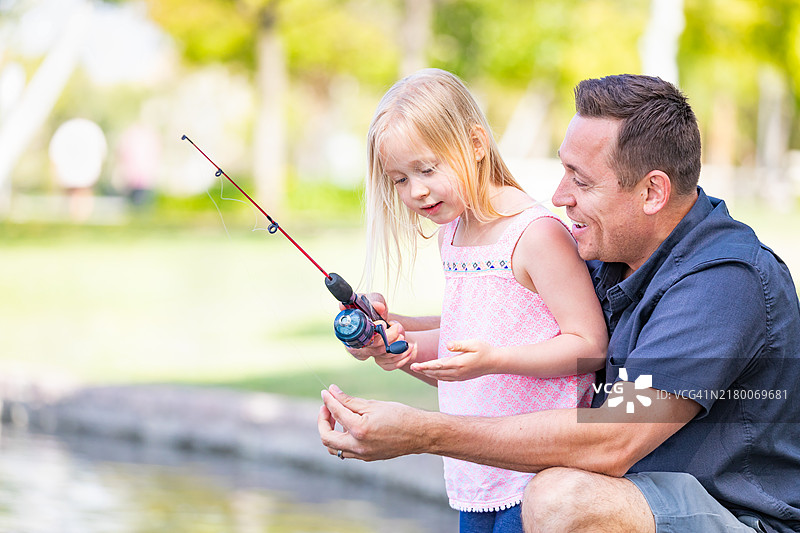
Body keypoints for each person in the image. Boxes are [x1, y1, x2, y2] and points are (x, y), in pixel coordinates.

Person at [318, 73, 800, 533]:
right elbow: (500, 329)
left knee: (561, 498)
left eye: (581, 181)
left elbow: (616, 430)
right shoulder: (613, 251)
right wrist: (394, 330)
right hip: (639, 494)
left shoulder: (721, 286)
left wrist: (425, 433)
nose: (558, 196)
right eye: (563, 169)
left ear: (653, 191)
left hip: (734, 517)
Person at [341, 68, 608, 531]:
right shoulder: (453, 233)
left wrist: (495, 360)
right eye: (399, 179)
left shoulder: (536, 235)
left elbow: (590, 346)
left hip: (539, 479)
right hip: (477, 474)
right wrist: (393, 338)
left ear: (477, 144)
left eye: (427, 169)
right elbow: (465, 340)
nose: (416, 191)